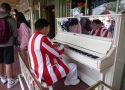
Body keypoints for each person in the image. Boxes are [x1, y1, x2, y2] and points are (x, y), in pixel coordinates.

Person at [28, 19, 80, 87]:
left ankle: (66, 75)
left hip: (36, 68)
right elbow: (56, 54)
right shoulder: (43, 38)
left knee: (63, 62)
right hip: (44, 73)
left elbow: (42, 48)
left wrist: (53, 45)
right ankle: (69, 81)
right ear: (44, 28)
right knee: (73, 66)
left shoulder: (33, 37)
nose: (49, 29)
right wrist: (62, 46)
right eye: (48, 27)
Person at [0, 3, 18, 89]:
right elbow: (15, 33)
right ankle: (10, 81)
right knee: (8, 62)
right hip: (8, 44)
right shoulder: (10, 19)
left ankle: (2, 78)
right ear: (8, 10)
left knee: (0, 62)